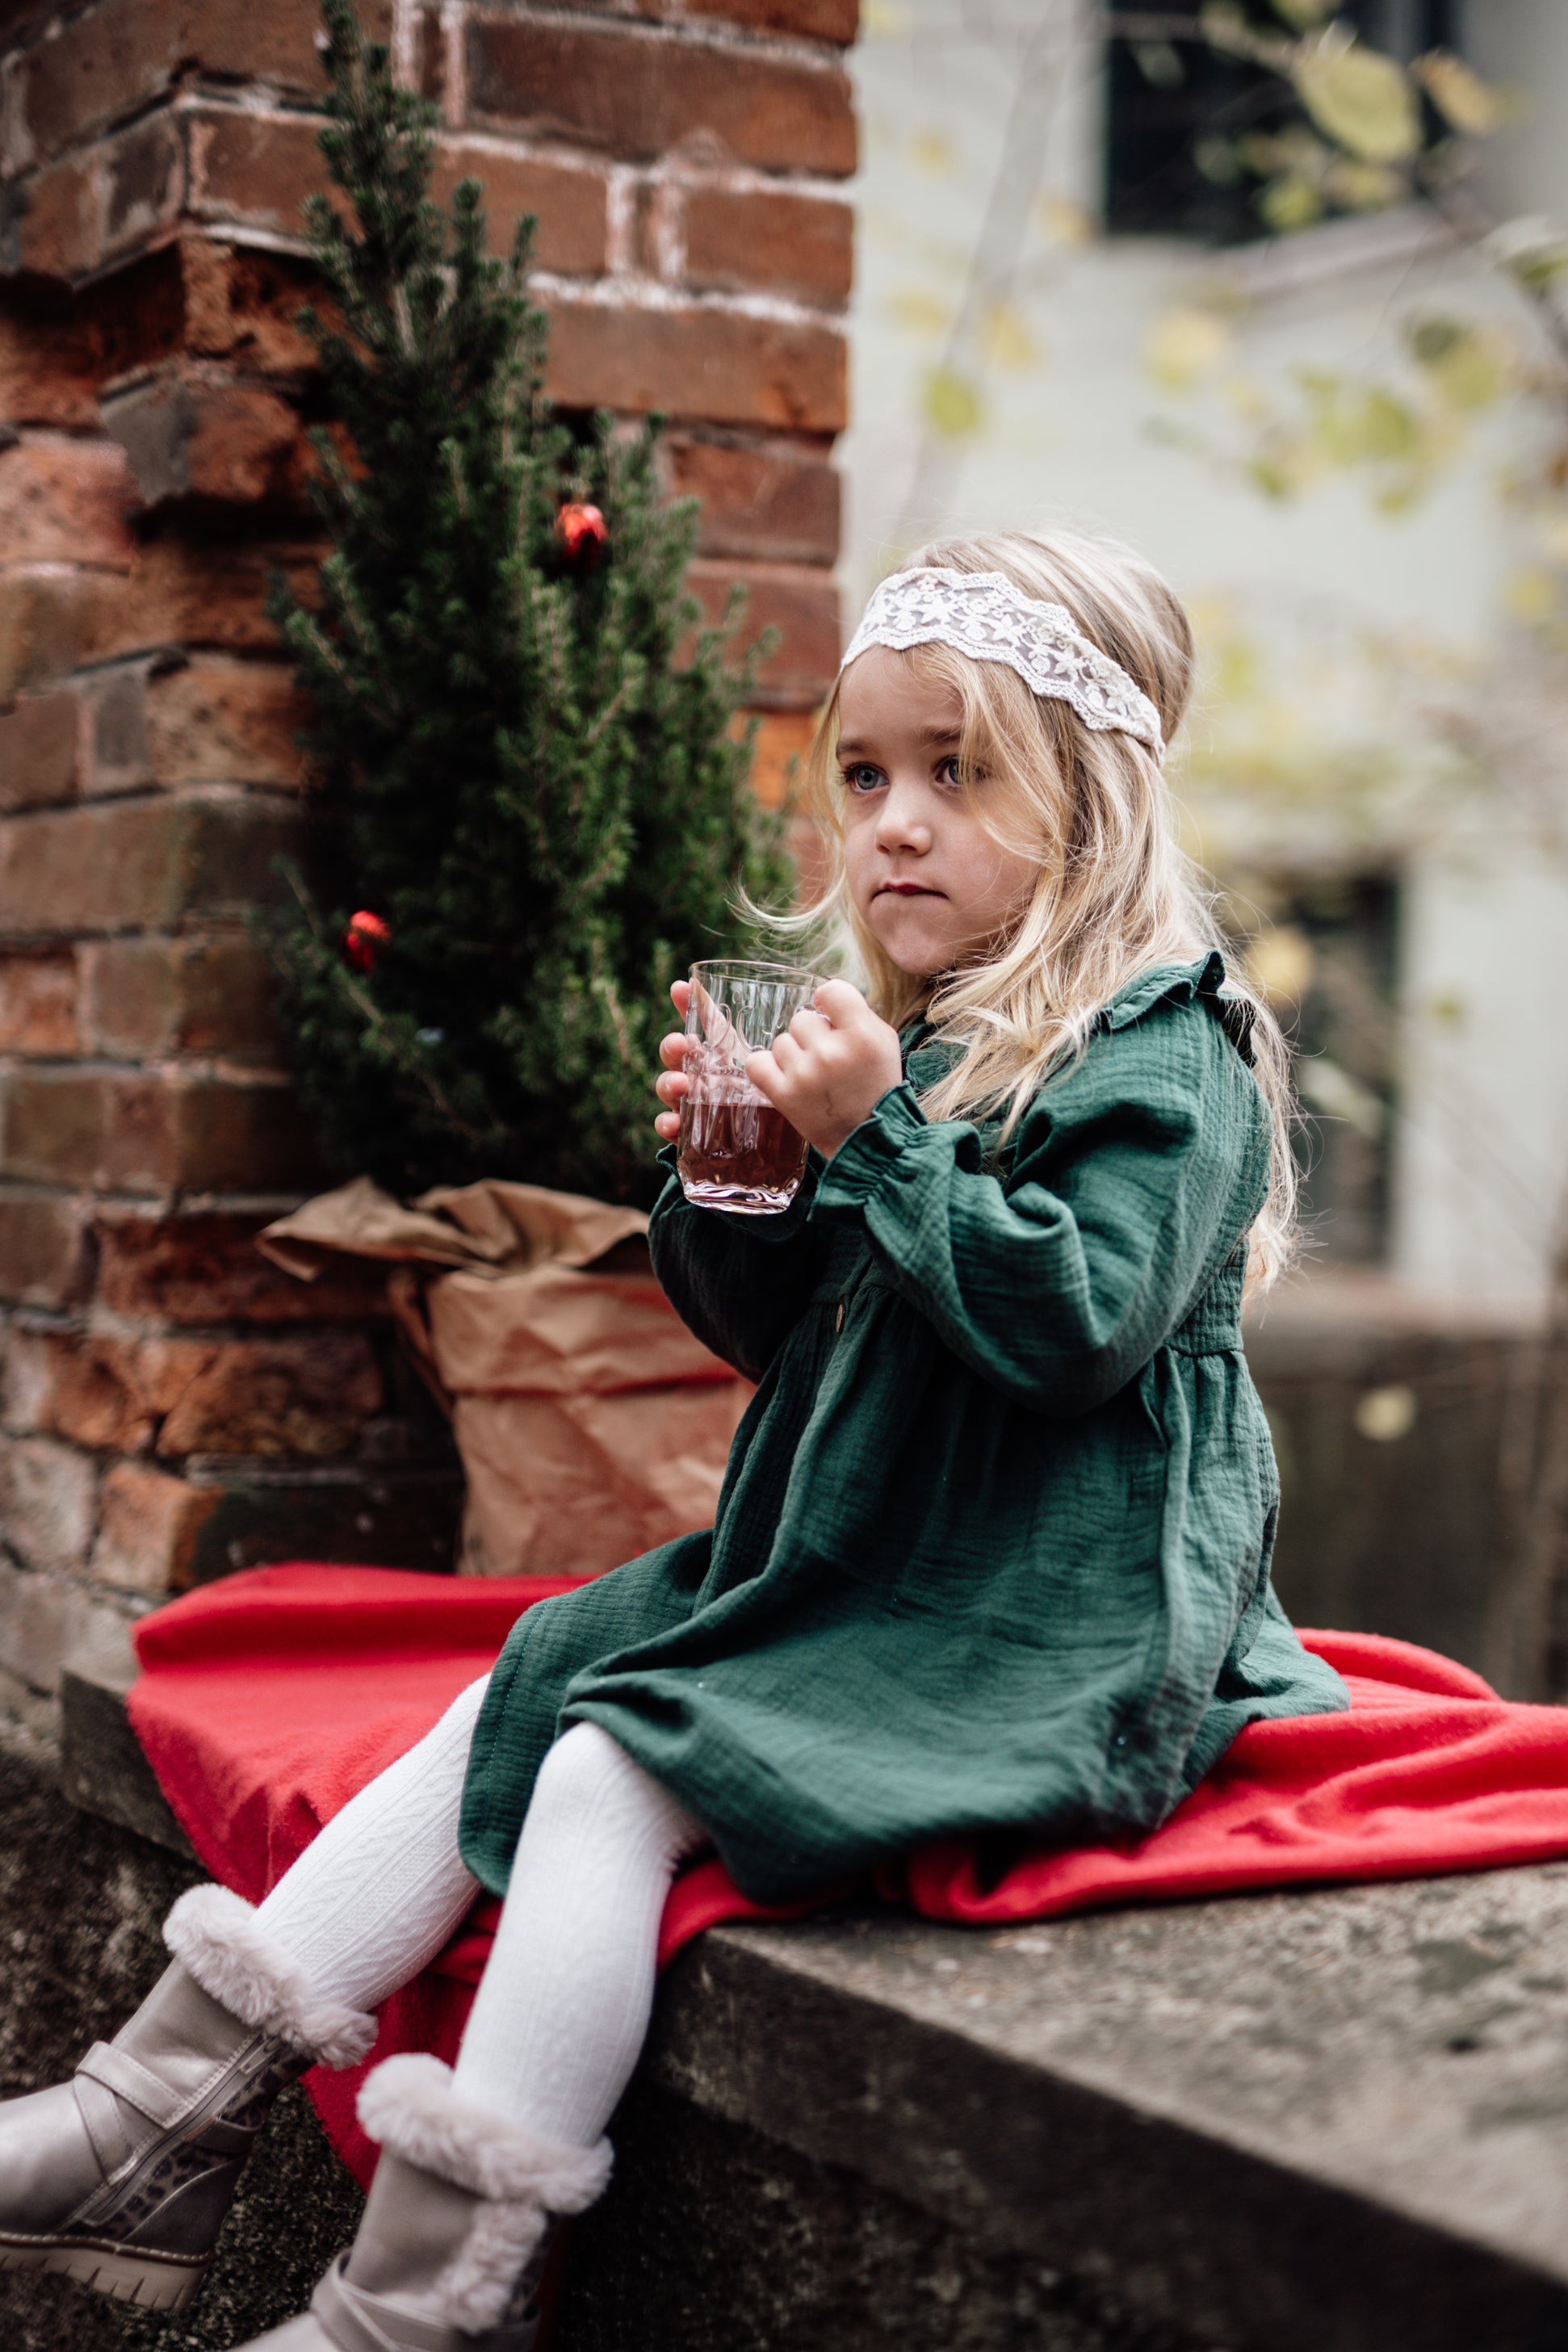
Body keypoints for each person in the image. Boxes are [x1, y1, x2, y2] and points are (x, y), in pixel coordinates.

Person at [0, 533, 1348, 2350]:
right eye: (863, 773)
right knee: (536, 1673)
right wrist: (745, 1189)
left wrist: (873, 1143)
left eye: (957, 771)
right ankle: (141, 2123)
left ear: (1093, 798)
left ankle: (422, 2300)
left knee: (604, 1764)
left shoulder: (1158, 1054)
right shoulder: (917, 1041)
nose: (890, 822)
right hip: (865, 1553)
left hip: (1048, 1604)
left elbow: (1070, 1327)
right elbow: (779, 1340)